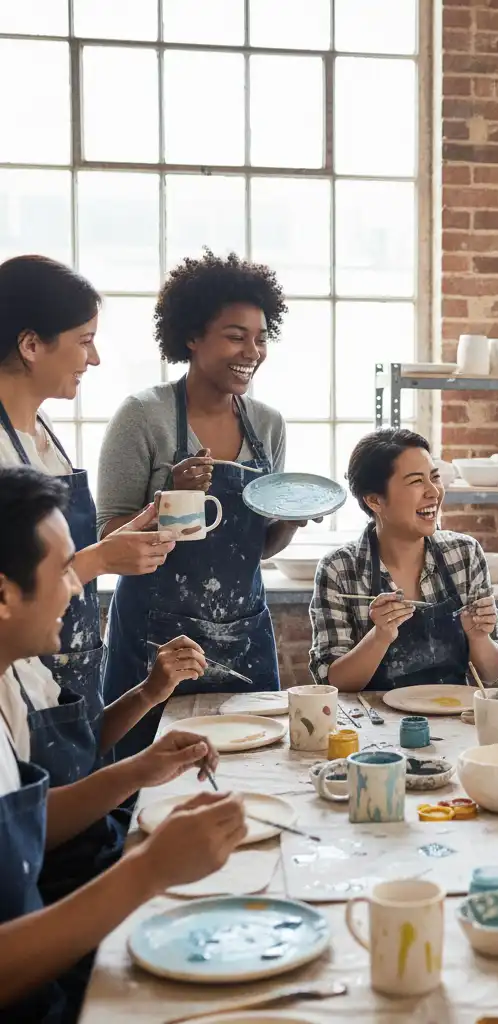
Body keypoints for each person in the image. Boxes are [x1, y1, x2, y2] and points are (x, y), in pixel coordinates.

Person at [0, 465, 246, 1022]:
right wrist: (148, 870)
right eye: (65, 571)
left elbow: (26, 819)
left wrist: (137, 769)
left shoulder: (10, 681)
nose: (77, 588)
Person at [0, 255, 198, 903]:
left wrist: (119, 537)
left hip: (68, 685)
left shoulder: (43, 434)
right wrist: (98, 563)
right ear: (31, 345)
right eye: (83, 340)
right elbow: (27, 575)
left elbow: (59, 557)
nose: (94, 358)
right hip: (22, 683)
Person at [99, 250, 295, 759]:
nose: (252, 350)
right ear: (191, 336)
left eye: (260, 337)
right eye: (235, 335)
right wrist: (179, 499)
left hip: (244, 633)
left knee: (250, 769)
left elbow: (259, 548)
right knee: (144, 782)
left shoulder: (268, 425)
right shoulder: (144, 416)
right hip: (154, 642)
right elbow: (108, 536)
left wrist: (291, 519)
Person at [310, 428, 498, 690]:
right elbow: (334, 684)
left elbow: (492, 674)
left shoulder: (464, 553)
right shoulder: (339, 569)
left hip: (454, 718)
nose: (433, 492)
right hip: (373, 724)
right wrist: (380, 636)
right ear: (374, 500)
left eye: (434, 477)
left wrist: (478, 636)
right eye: (416, 481)